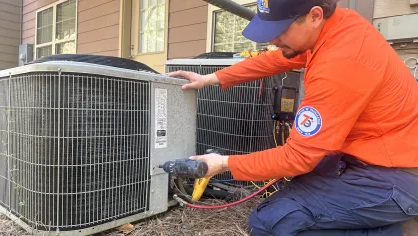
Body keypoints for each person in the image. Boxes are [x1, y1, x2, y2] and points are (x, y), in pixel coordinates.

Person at [167, 0, 418, 235]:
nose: (273, 40)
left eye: (280, 30)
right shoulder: (338, 26)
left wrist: (222, 164)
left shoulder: (340, 63)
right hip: (373, 154)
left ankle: (400, 229)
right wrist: (213, 78)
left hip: (397, 177)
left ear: (315, 16)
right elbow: (277, 58)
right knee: (299, 186)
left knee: (269, 222)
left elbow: (298, 157)